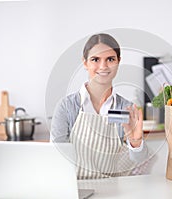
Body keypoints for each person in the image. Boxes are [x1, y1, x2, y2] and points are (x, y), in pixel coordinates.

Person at [50, 33, 149, 179]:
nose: (103, 66)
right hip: (74, 188)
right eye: (95, 59)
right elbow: (56, 157)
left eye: (110, 59)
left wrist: (135, 142)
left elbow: (138, 160)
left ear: (118, 61)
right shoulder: (67, 107)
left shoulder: (125, 108)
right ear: (85, 63)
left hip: (112, 188)